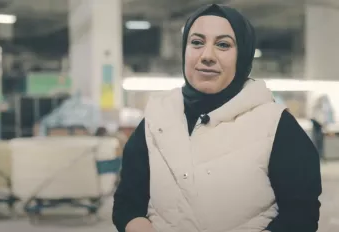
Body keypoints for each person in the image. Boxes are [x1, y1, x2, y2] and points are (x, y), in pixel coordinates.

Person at [112, 4, 322, 232]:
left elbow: (301, 216)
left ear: (242, 55)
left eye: (223, 45)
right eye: (197, 42)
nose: (207, 56)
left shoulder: (276, 125)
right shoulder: (156, 119)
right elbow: (127, 203)